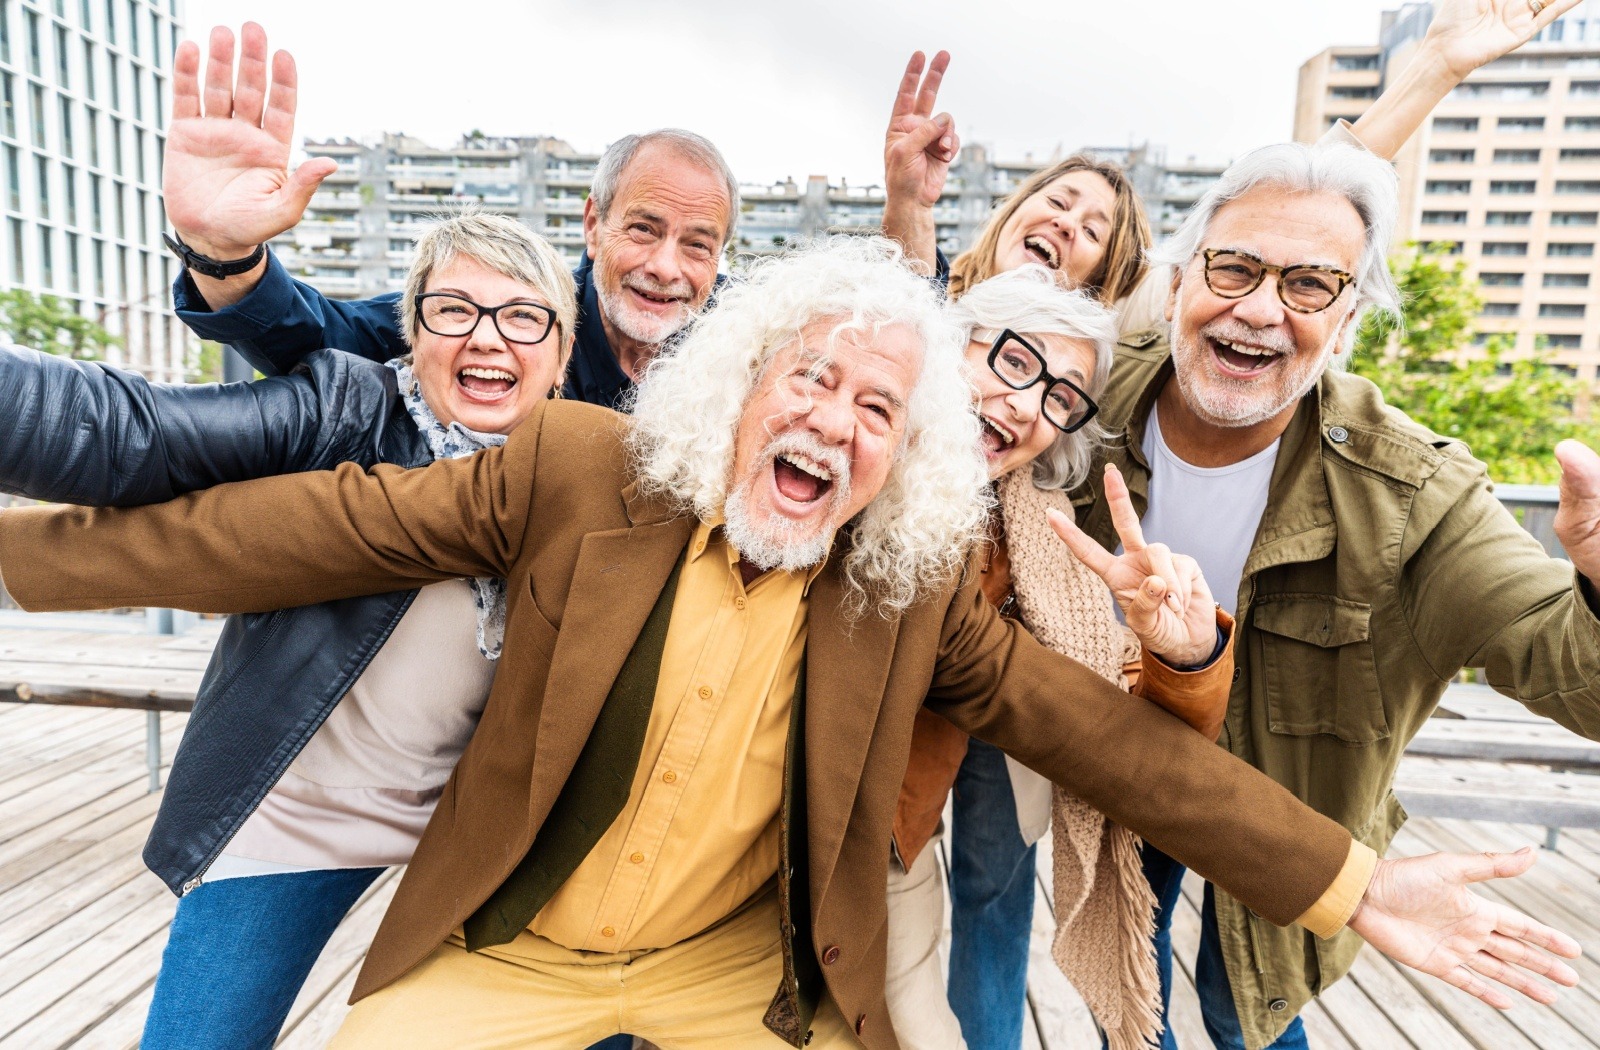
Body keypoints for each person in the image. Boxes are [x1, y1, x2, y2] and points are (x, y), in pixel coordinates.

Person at [0, 237, 1580, 1050]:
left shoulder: (909, 598)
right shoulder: (572, 472)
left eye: (879, 407)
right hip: (503, 951)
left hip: (740, 978)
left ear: (911, 461)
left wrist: (1363, 882)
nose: (832, 417)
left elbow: (1111, 746)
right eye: (809, 380)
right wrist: (19, 562)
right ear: (740, 384)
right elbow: (266, 534)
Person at [876, 5, 1587, 1046]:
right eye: (1232, 272)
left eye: (1308, 289)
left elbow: (1568, 662)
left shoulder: (1409, 488)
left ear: (1344, 324)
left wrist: (1431, 68)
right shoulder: (1061, 384)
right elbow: (920, 342)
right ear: (1178, 289)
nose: (1260, 307)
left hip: (1264, 760)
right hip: (1092, 699)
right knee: (1089, 938)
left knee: (1243, 988)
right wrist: (904, 207)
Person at [0, 207, 576, 1049]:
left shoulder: (586, 479)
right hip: (301, 809)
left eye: (524, 317)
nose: (487, 338)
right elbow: (140, 434)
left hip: (476, 830)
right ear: (411, 333)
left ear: (562, 360)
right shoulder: (345, 408)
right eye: (453, 310)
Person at [885, 265, 1231, 1050]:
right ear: (950, 345)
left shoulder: (1032, 526)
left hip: (907, 823)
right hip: (773, 817)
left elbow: (1108, 712)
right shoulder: (837, 452)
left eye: (1059, 397)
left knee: (969, 944)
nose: (1027, 404)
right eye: (1014, 361)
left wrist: (1183, 654)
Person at [163, 23, 736, 409]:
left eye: (697, 245)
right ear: (593, 225)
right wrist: (223, 254)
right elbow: (323, 339)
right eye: (644, 229)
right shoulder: (510, 306)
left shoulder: (752, 347)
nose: (665, 267)